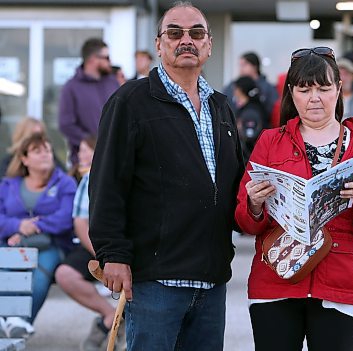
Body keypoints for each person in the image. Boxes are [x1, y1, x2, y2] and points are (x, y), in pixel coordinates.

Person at [88, 2, 244, 350]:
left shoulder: (221, 106)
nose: (185, 40)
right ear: (159, 45)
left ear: (209, 44)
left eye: (196, 33)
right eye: (174, 32)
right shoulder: (130, 102)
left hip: (211, 282)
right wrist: (112, 253)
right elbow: (107, 184)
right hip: (155, 282)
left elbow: (235, 186)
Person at [234, 46, 353, 351]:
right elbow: (244, 221)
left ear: (339, 89)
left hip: (342, 284)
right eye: (305, 89)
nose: (315, 97)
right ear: (291, 92)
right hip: (277, 279)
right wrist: (254, 204)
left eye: (323, 88)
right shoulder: (270, 142)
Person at [0, 133, 76, 338]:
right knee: (5, 270)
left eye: (48, 150)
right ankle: (7, 321)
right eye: (37, 150)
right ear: (24, 158)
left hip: (51, 245)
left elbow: (65, 218)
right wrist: (18, 225)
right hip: (11, 243)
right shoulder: (8, 185)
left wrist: (33, 226)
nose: (45, 154)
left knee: (40, 275)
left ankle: (20, 324)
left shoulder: (65, 183)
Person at [54, 135, 125, 351]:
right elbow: (80, 223)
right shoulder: (89, 179)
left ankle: (125, 327)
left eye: (87, 150)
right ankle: (110, 315)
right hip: (98, 246)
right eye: (81, 151)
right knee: (65, 274)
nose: (82, 155)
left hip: (126, 245)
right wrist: (104, 255)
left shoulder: (125, 172)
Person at [58, 37, 120, 166]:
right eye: (106, 57)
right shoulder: (71, 87)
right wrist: (90, 142)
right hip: (85, 162)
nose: (110, 62)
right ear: (92, 59)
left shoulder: (113, 83)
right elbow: (66, 124)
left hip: (114, 158)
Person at [223, 52, 278, 125]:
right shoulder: (232, 86)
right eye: (240, 65)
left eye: (244, 65)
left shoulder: (267, 88)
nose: (241, 68)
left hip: (261, 129)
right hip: (235, 129)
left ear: (255, 66)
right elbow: (224, 104)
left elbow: (273, 110)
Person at [233, 76, 266, 161]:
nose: (234, 92)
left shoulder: (250, 112)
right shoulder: (252, 108)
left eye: (236, 89)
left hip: (251, 158)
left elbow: (250, 137)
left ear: (241, 90)